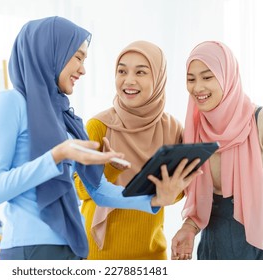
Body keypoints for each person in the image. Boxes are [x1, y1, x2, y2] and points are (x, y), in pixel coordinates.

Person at [0, 16, 201, 260]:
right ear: (51, 53)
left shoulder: (62, 116)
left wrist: (153, 200)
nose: (83, 69)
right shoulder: (12, 102)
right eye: (77, 57)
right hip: (29, 247)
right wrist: (57, 155)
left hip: (70, 247)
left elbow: (96, 190)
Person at [171, 41, 263, 260]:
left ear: (228, 76)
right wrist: (189, 228)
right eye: (191, 79)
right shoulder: (192, 133)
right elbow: (202, 202)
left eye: (207, 77)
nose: (198, 87)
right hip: (215, 254)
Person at [74, 40, 188, 259]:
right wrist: (108, 168)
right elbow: (78, 189)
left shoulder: (173, 129)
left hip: (152, 252)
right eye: (122, 71)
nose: (129, 80)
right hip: (100, 253)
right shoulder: (98, 126)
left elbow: (177, 192)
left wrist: (171, 191)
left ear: (158, 77)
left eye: (141, 72)